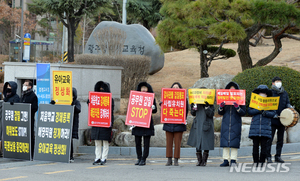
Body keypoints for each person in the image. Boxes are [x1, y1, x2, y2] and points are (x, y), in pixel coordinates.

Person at [218, 82, 246, 167]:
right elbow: (220, 112)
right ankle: (225, 159)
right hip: (226, 122)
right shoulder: (224, 99)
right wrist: (221, 107)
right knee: (225, 141)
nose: (232, 91)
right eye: (230, 89)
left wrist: (238, 108)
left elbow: (243, 112)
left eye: (234, 89)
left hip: (236, 122)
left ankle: (233, 160)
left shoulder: (241, 99)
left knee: (234, 141)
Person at [266, 77, 293, 163]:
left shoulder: (284, 93)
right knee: (269, 139)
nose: (279, 83)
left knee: (280, 140)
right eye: (277, 81)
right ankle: (268, 156)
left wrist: (289, 106)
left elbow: (287, 102)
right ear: (273, 83)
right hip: (273, 119)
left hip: (282, 120)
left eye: (280, 81)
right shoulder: (270, 93)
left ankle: (278, 156)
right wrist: (272, 114)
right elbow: (266, 106)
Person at [248, 85, 276, 167]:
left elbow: (273, 113)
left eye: (264, 94)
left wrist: (266, 113)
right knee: (255, 145)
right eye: (261, 94)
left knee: (264, 146)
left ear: (267, 95)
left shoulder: (270, 103)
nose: (262, 95)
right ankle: (255, 161)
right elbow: (249, 111)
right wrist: (258, 110)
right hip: (255, 126)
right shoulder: (254, 102)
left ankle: (262, 161)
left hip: (265, 126)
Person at [162, 82, 188, 166]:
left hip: (179, 124)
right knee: (168, 143)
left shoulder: (184, 99)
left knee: (177, 143)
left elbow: (186, 111)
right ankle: (169, 159)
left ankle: (176, 159)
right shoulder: (166, 98)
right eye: (173, 87)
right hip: (168, 123)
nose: (175, 88)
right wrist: (162, 104)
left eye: (177, 87)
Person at [187, 87, 215, 166]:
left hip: (207, 123)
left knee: (206, 142)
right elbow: (193, 113)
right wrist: (192, 107)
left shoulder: (210, 102)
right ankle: (199, 160)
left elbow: (211, 114)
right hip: (198, 123)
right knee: (197, 141)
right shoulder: (196, 102)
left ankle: (204, 160)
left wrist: (207, 107)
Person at [132, 82, 157, 166]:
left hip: (147, 122)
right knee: (137, 142)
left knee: (146, 142)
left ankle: (144, 158)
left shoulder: (151, 97)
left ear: (148, 89)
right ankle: (139, 157)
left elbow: (155, 110)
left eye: (145, 88)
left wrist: (153, 107)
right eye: (142, 87)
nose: (143, 89)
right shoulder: (135, 97)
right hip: (137, 122)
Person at [90, 81, 114, 165]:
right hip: (96, 124)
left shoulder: (110, 99)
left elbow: (111, 112)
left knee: (105, 142)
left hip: (105, 123)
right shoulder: (94, 98)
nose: (101, 91)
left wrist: (111, 123)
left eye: (103, 89)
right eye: (99, 89)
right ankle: (97, 157)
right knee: (97, 142)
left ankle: (104, 158)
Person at [20, 80, 38, 160]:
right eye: (23, 84)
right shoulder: (23, 95)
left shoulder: (33, 96)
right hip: (22, 119)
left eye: (25, 85)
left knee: (30, 136)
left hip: (29, 119)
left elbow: (35, 108)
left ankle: (31, 153)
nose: (24, 86)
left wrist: (27, 108)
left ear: (30, 87)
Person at [70, 87, 81, 162]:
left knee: (70, 140)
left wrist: (72, 106)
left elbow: (78, 109)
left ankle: (71, 156)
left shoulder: (76, 102)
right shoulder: (63, 101)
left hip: (72, 123)